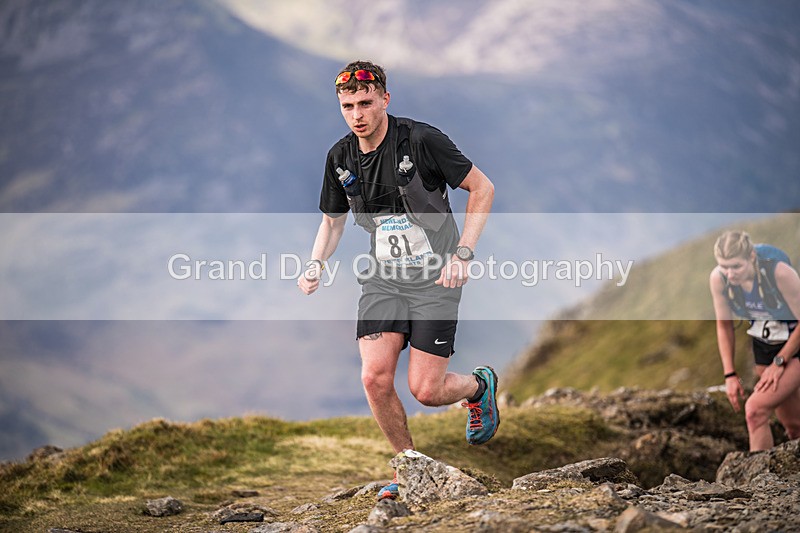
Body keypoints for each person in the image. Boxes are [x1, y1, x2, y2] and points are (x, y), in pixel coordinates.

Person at [297, 60, 499, 500]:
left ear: (385, 99)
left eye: (366, 103)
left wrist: (464, 253)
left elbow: (482, 188)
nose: (357, 115)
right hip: (383, 279)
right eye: (348, 106)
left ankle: (479, 386)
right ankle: (408, 467)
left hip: (436, 279)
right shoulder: (339, 157)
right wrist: (316, 264)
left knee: (426, 390)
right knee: (374, 378)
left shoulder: (421, 140)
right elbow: (332, 222)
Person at [710, 230, 800, 451]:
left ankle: (756, 472)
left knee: (755, 410)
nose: (730, 274)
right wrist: (730, 375)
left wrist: (779, 362)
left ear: (751, 256)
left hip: (794, 345)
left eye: (736, 266)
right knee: (793, 428)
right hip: (764, 347)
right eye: (724, 267)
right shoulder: (719, 279)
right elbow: (724, 326)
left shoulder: (779, 273)